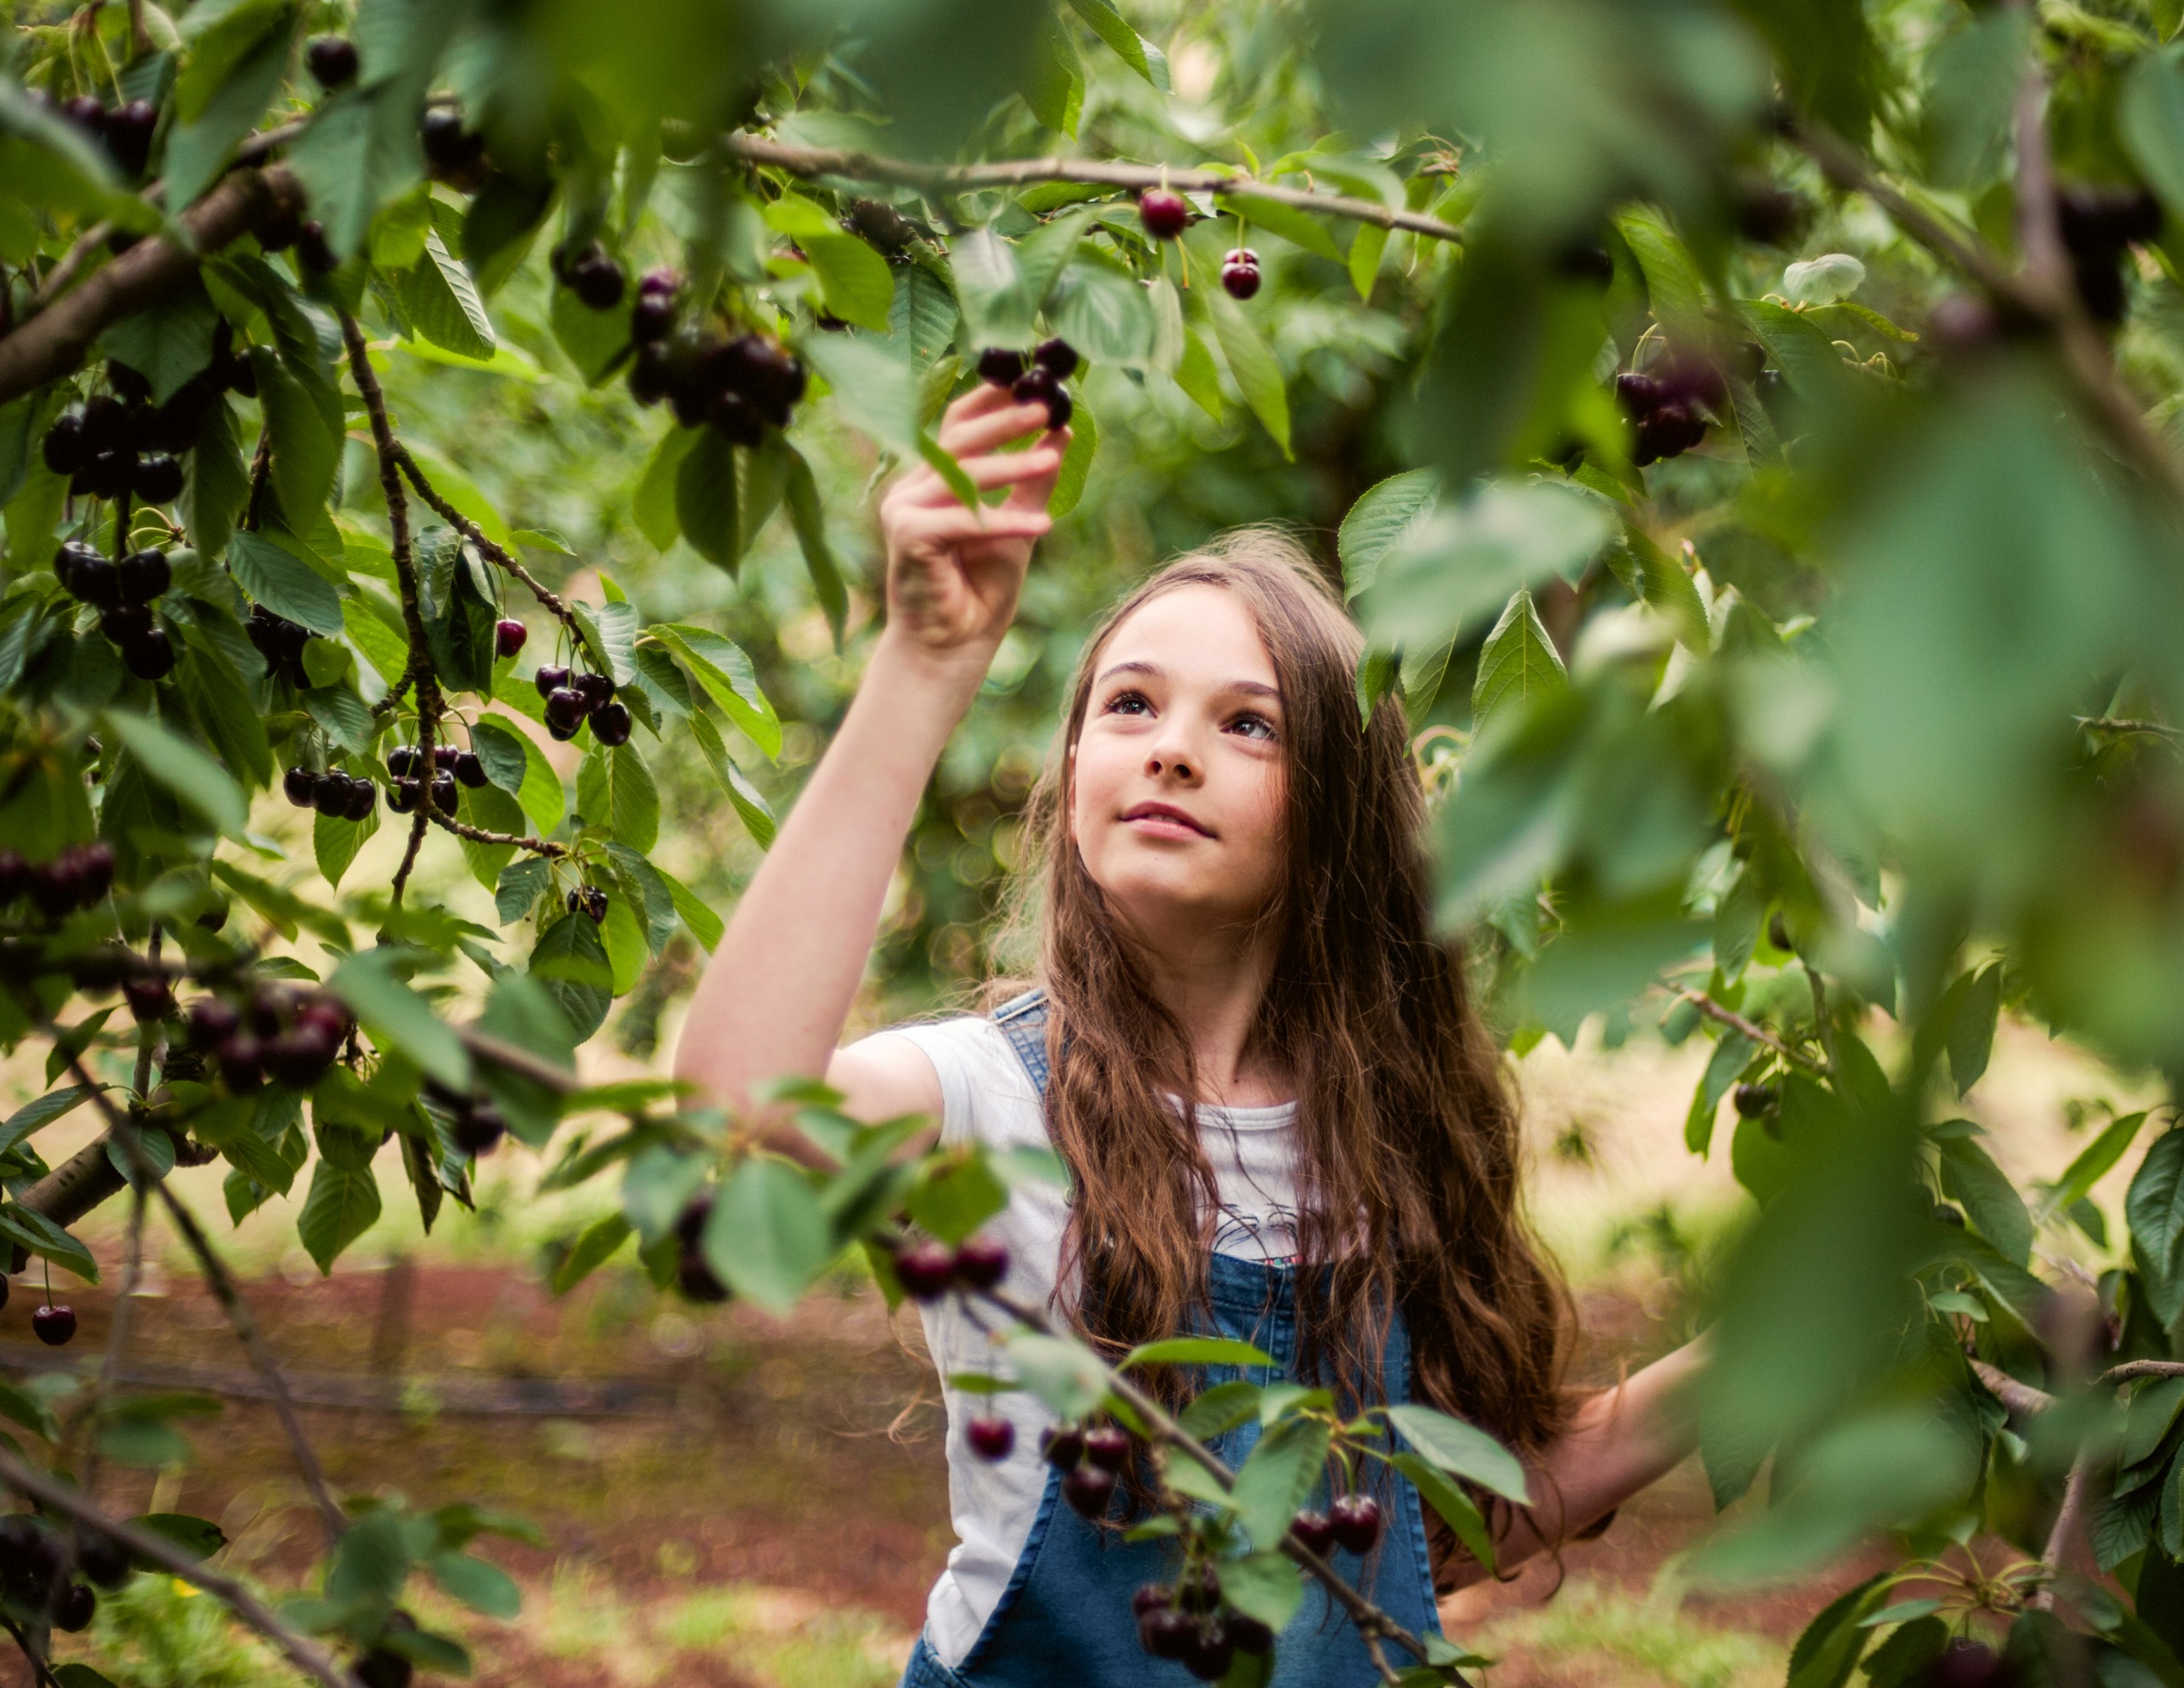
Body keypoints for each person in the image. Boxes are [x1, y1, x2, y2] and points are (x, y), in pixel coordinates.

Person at [674, 381, 1705, 1686]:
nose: (1170, 750)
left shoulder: (1395, 1135)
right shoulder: (994, 1105)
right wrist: (925, 663)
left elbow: (1421, 1539)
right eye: (1130, 705)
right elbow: (737, 1099)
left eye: (1248, 724)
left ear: (1335, 811)